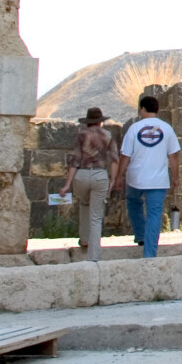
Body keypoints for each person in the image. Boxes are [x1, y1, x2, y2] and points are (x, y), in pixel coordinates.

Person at [113, 93, 180, 258]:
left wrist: (119, 177)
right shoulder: (167, 128)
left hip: (136, 178)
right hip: (158, 180)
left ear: (142, 109)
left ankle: (140, 234)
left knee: (133, 202)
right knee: (154, 214)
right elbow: (173, 156)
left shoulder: (134, 129)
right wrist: (176, 177)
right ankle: (150, 253)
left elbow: (125, 156)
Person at [59, 107, 118, 263]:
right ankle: (94, 256)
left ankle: (84, 238)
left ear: (87, 122)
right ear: (100, 122)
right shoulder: (108, 136)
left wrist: (67, 185)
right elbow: (114, 160)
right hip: (99, 175)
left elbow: (74, 161)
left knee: (84, 203)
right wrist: (112, 180)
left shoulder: (81, 136)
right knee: (96, 217)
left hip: (82, 175)